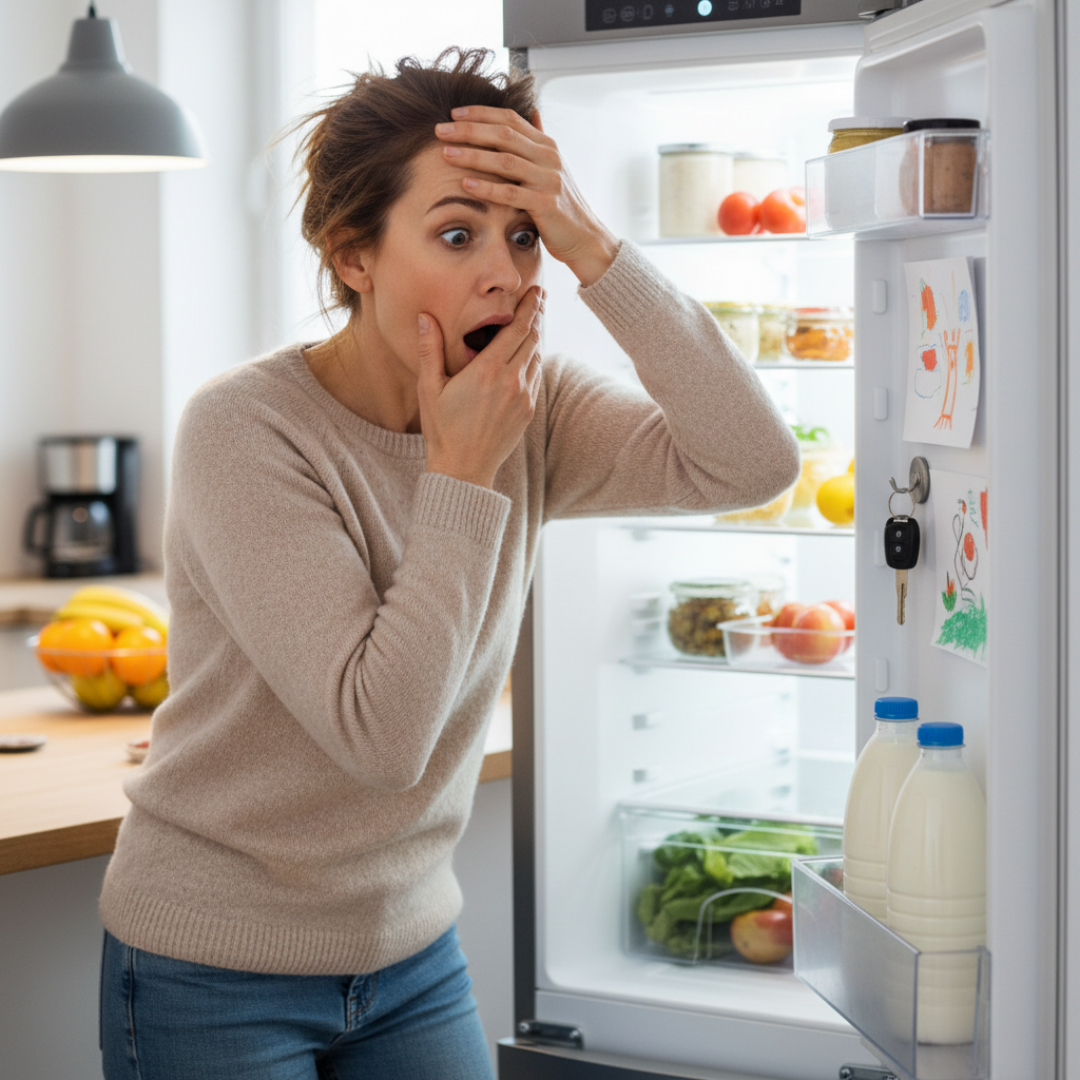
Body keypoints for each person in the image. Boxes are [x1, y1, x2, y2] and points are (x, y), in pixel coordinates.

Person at [97, 47, 799, 1080]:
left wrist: (594, 247)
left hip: (412, 956)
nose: (506, 273)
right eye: (458, 234)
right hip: (215, 966)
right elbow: (382, 739)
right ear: (354, 257)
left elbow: (753, 462)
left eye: (525, 234)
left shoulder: (535, 406)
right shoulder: (245, 429)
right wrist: (462, 473)